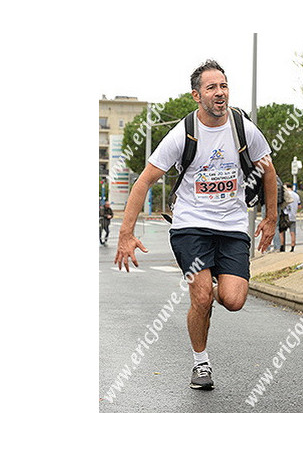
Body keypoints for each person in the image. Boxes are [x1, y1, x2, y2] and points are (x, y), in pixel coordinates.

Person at [114, 60, 277, 390]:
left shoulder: (244, 129)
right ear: (196, 95)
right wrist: (125, 233)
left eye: (224, 86)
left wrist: (271, 218)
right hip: (191, 225)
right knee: (201, 298)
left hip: (232, 226)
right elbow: (144, 181)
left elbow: (269, 171)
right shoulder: (182, 134)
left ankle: (212, 290)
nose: (220, 93)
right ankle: (201, 363)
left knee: (233, 300)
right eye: (211, 87)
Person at [279, 184, 301, 252]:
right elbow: (299, 206)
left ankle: (282, 246)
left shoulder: (285, 193)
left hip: (284, 216)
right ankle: (292, 246)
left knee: (281, 231)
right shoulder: (296, 195)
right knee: (292, 232)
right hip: (293, 216)